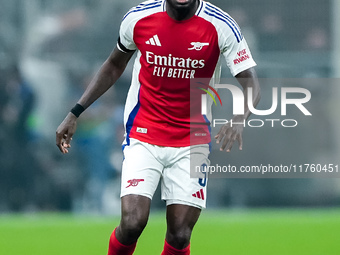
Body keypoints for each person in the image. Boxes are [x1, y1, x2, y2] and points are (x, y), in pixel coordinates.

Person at [56, 0, 260, 254]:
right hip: (144, 134)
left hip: (192, 139)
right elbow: (113, 65)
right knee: (132, 223)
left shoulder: (222, 25)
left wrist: (239, 118)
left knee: (180, 235)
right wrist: (76, 112)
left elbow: (251, 83)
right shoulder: (139, 18)